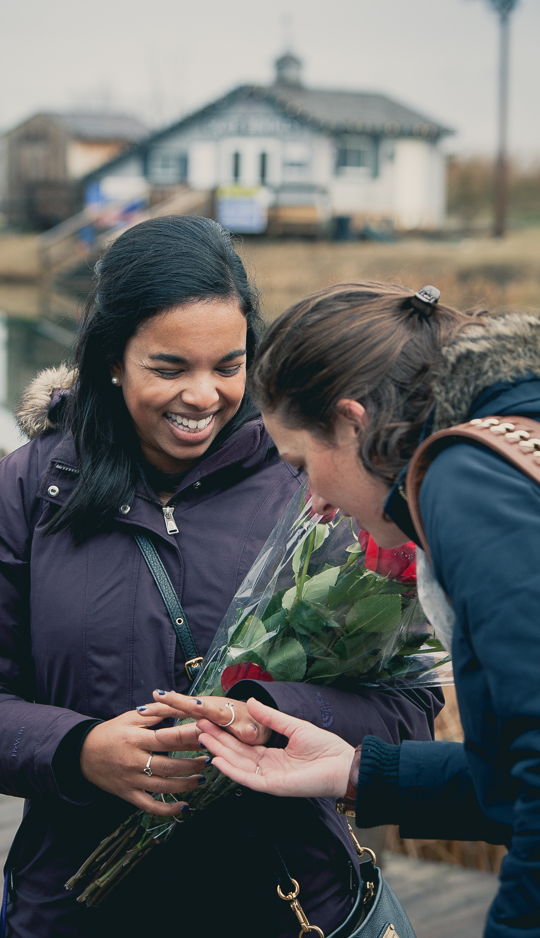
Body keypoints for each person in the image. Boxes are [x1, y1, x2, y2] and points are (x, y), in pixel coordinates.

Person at [0, 229, 440, 938]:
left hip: (287, 906)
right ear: (110, 359)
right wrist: (78, 751)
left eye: (228, 365)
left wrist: (271, 712)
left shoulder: (314, 480)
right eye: (169, 367)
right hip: (78, 908)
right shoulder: (25, 491)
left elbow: (409, 705)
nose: (204, 395)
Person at [187, 281, 540, 938]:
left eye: (301, 462)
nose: (312, 502)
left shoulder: (466, 481)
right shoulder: (509, 453)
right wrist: (358, 772)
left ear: (351, 423)